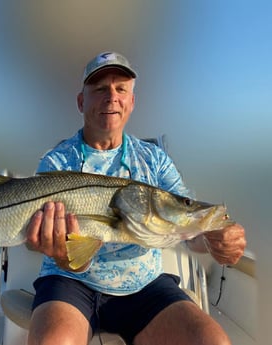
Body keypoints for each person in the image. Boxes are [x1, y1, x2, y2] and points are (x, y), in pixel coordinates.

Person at [25, 51, 246, 345]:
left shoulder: (156, 160)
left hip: (144, 285)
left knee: (213, 342)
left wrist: (214, 236)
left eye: (121, 89)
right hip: (69, 282)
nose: (111, 97)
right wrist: (49, 247)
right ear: (81, 101)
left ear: (132, 102)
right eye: (100, 89)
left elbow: (185, 228)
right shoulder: (56, 161)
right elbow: (37, 238)